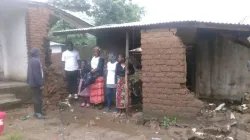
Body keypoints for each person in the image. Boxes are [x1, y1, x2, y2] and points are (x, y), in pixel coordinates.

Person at [27, 48, 45, 119]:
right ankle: (38, 113)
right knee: (38, 98)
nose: (39, 53)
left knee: (36, 98)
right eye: (38, 52)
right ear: (36, 53)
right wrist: (41, 84)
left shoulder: (31, 60)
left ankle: (38, 112)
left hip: (33, 82)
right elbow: (36, 74)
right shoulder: (36, 61)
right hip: (36, 83)